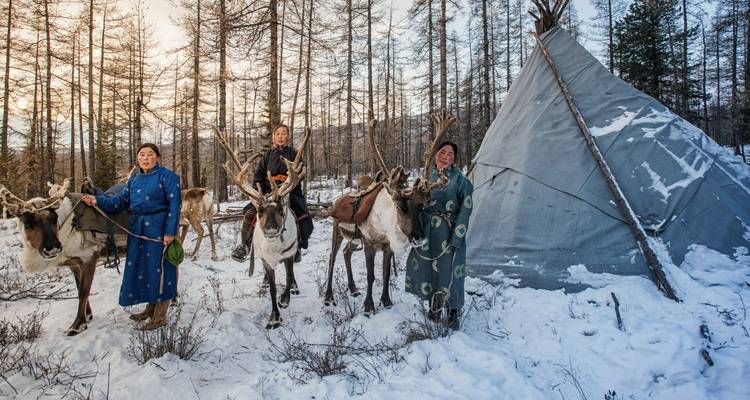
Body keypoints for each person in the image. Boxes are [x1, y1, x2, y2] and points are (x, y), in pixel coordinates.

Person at [81, 143, 182, 330]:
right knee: (144, 268)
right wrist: (96, 200)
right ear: (137, 158)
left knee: (160, 269)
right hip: (138, 228)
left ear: (157, 157)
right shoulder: (134, 179)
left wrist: (170, 232)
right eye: (142, 154)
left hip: (159, 227)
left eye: (150, 154)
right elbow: (119, 202)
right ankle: (150, 308)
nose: (145, 158)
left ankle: (160, 316)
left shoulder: (167, 177)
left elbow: (175, 206)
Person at [405, 141, 473, 330]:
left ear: (454, 160)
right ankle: (434, 307)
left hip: (449, 231)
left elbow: (465, 210)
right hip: (428, 231)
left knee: (451, 271)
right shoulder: (425, 177)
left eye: (450, 154)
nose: (445, 157)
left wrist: (457, 235)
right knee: (429, 269)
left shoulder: (461, 181)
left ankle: (453, 312)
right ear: (435, 155)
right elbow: (415, 204)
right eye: (442, 152)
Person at [231, 124, 314, 263]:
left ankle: (298, 245)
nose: (281, 136)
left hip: (289, 191)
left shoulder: (294, 153)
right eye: (278, 134)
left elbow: (299, 174)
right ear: (274, 137)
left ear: (288, 136)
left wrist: (287, 186)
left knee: (303, 215)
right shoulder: (268, 155)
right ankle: (244, 246)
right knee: (250, 212)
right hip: (268, 194)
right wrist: (259, 192)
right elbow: (259, 175)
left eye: (283, 133)